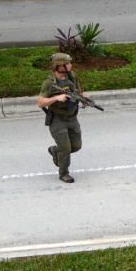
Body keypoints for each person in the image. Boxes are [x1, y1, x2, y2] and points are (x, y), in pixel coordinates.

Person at [36, 52, 90, 183]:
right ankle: (64, 173)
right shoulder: (49, 83)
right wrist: (56, 98)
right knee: (66, 148)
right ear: (58, 66)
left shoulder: (73, 77)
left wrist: (83, 99)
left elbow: (80, 92)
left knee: (76, 146)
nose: (70, 65)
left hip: (72, 118)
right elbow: (40, 102)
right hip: (57, 120)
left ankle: (55, 151)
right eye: (67, 64)